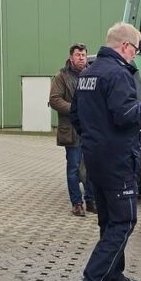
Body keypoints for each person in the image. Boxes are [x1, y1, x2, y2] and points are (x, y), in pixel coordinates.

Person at [71, 22, 141, 281]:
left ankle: (113, 275)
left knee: (108, 220)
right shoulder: (119, 74)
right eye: (135, 50)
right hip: (118, 160)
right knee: (124, 221)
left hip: (94, 157)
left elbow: (76, 116)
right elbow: (125, 116)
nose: (135, 55)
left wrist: (95, 139)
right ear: (124, 47)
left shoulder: (88, 74)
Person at [49, 43, 97, 217]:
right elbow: (54, 100)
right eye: (78, 55)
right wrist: (76, 109)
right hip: (71, 129)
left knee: (92, 167)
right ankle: (77, 203)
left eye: (84, 55)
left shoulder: (93, 74)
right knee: (74, 168)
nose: (81, 58)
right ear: (71, 57)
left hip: (90, 129)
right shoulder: (62, 77)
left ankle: (91, 201)